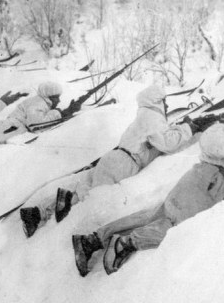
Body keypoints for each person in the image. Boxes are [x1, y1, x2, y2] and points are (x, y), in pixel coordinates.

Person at [71, 99, 224, 276]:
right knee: (177, 229)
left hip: (208, 185)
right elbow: (210, 142)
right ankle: (125, 243)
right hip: (205, 182)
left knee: (155, 216)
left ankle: (92, 240)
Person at [19, 82, 214, 237]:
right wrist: (190, 128)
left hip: (113, 158)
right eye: (165, 101)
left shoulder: (143, 116)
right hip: (125, 163)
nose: (167, 105)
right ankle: (85, 236)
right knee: (96, 198)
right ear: (157, 101)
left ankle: (37, 212)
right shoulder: (153, 118)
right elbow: (167, 143)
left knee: (85, 187)